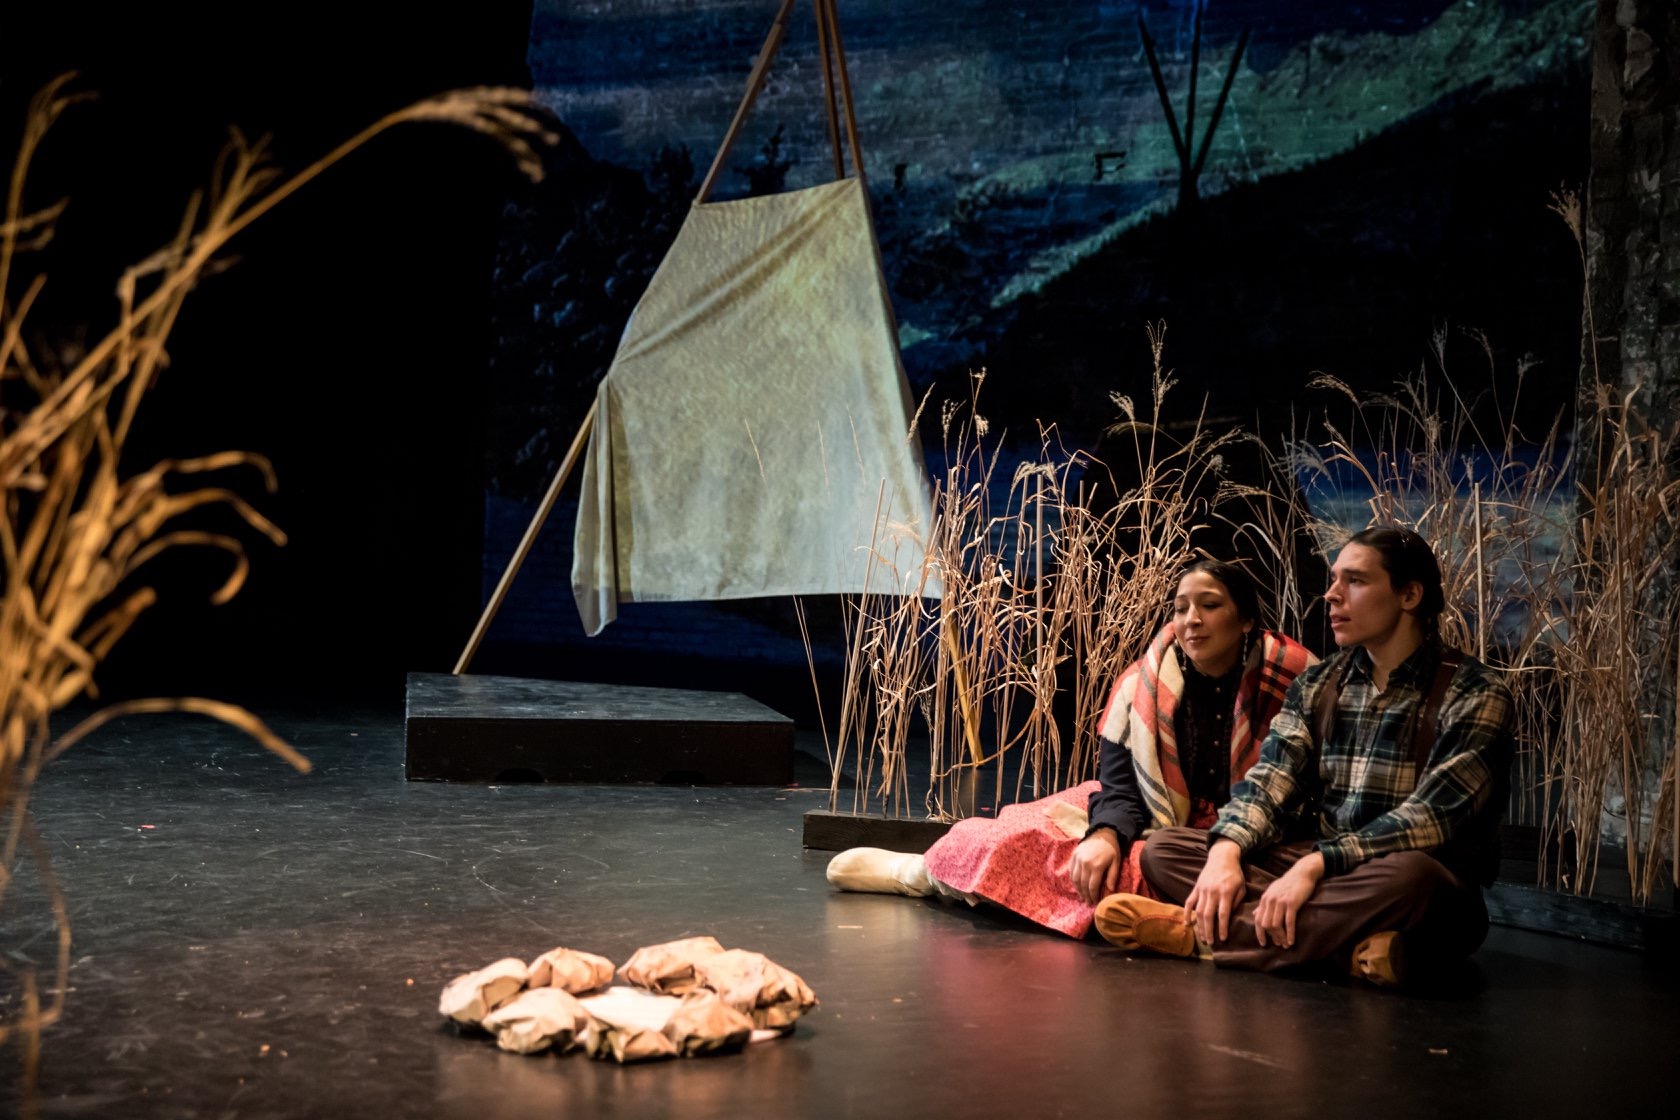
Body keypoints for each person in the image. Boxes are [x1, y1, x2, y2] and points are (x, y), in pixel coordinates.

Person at [1093, 527, 1515, 988]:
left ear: (1409, 594)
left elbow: (1428, 820)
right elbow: (1270, 782)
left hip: (1412, 879)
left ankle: (1205, 939)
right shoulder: (1320, 684)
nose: (1331, 595)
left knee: (1414, 878)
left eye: (1354, 581)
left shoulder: (1473, 691)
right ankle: (1351, 954)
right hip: (1328, 868)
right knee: (1165, 850)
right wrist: (1227, 850)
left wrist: (1316, 867)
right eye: (1333, 580)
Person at [825, 559, 1316, 938]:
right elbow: (1119, 784)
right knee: (1039, 843)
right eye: (1181, 607)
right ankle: (924, 874)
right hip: (1154, 816)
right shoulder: (1142, 686)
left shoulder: (1294, 679)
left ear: (1246, 617)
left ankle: (1181, 924)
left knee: (1150, 868)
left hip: (1250, 836)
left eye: (1210, 605)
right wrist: (1106, 833)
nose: (1192, 620)